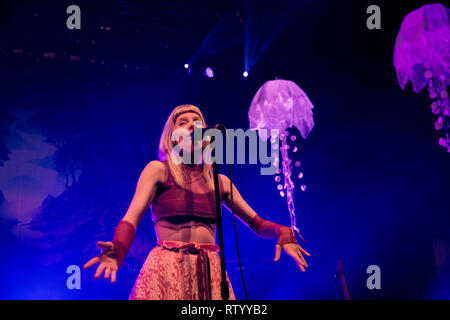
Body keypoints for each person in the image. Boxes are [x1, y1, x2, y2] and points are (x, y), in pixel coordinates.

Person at [83, 104, 310, 300]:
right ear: (171, 137)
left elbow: (257, 224)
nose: (192, 125)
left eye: (197, 122)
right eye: (184, 122)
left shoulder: (219, 182)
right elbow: (130, 219)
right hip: (168, 268)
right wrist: (120, 248)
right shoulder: (158, 171)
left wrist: (283, 232)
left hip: (210, 271)